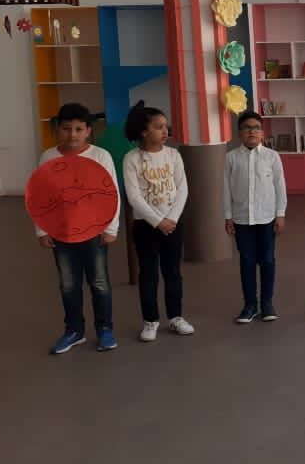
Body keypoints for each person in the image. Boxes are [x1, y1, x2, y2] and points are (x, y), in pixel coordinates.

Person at [36, 103, 120, 354]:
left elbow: (111, 193)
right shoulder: (48, 157)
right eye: (66, 129)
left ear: (88, 130)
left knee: (99, 282)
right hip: (61, 233)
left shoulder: (100, 156)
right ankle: (74, 331)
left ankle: (104, 329)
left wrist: (111, 227)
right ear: (58, 129)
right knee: (68, 284)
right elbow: (40, 197)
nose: (72, 134)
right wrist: (42, 230)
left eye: (78, 129)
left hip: (94, 232)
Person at [123, 101, 194, 341]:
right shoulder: (132, 158)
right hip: (145, 226)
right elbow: (134, 196)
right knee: (148, 274)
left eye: (166, 126)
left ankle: (175, 317)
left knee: (172, 272)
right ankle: (150, 320)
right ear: (144, 131)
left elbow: (182, 189)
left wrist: (171, 218)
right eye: (158, 127)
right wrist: (157, 221)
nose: (165, 131)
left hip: (173, 225)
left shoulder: (173, 155)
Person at [224, 110, 287, 324]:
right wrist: (228, 216)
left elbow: (280, 187)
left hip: (267, 218)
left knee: (268, 260)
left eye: (256, 128)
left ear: (262, 132)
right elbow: (226, 189)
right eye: (247, 128)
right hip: (242, 220)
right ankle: (250, 305)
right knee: (247, 262)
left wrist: (280, 214)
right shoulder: (231, 157)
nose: (252, 131)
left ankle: (267, 303)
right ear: (239, 132)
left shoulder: (272, 156)